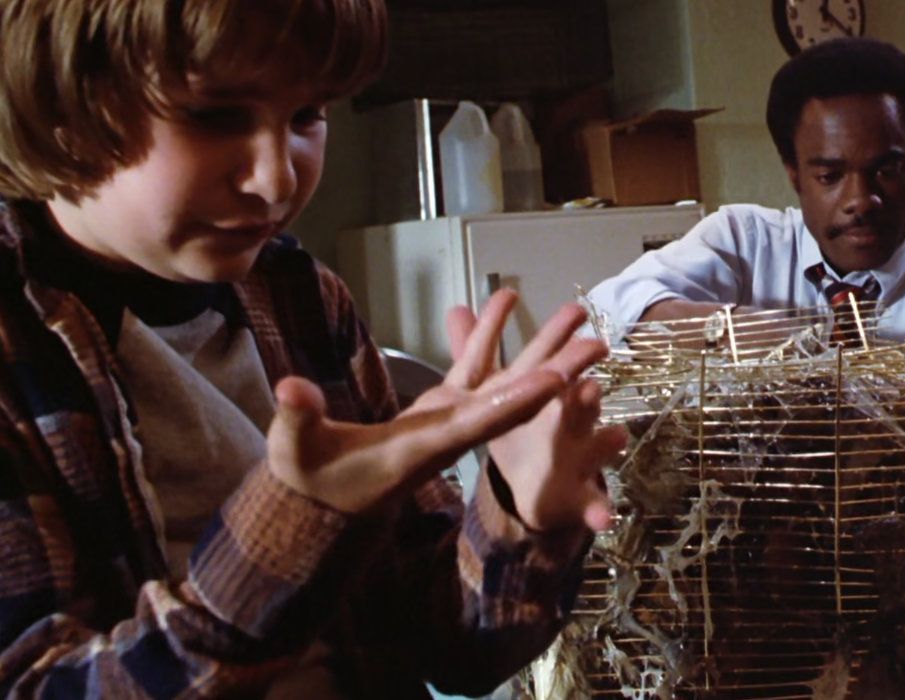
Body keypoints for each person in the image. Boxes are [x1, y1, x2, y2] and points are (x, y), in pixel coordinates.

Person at [0, 1, 621, 696]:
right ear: (64, 105)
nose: (277, 179)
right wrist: (289, 528)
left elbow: (449, 649)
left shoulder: (302, 297)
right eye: (216, 115)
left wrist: (519, 516)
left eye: (306, 116)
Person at [586, 37, 905, 534]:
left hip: (901, 563)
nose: (861, 200)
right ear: (794, 174)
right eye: (830, 175)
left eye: (886, 170)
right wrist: (762, 338)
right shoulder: (743, 243)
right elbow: (605, 315)